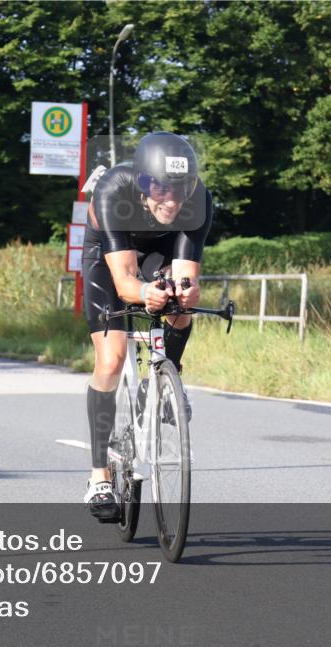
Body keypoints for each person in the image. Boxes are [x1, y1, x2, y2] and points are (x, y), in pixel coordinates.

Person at [81, 131, 212, 522]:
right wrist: (143, 292)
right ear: (142, 184)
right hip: (108, 253)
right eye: (161, 189)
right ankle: (99, 475)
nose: (172, 200)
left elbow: (188, 274)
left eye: (181, 189)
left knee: (181, 302)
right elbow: (123, 282)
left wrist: (183, 293)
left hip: (160, 251)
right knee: (111, 358)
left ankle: (166, 380)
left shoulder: (198, 200)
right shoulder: (112, 190)